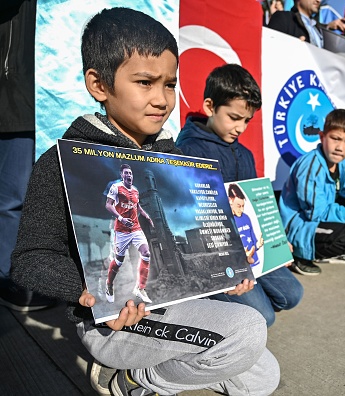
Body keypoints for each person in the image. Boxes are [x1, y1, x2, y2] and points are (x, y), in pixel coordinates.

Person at [10, 8, 279, 396]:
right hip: (112, 321)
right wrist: (88, 291)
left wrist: (230, 267)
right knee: (248, 329)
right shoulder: (61, 162)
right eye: (144, 82)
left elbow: (174, 231)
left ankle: (148, 378)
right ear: (99, 85)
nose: (161, 99)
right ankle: (132, 381)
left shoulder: (175, 160)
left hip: (170, 305)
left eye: (169, 84)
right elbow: (29, 260)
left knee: (262, 374)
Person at [176, 63, 303, 327]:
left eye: (247, 120)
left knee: (293, 295)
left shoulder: (245, 153)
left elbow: (258, 205)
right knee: (264, 317)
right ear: (210, 106)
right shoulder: (189, 151)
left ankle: (241, 308)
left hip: (250, 247)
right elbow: (191, 219)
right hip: (217, 255)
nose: (241, 127)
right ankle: (210, 301)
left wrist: (276, 242)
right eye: (234, 117)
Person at [0, 0, 55, 312]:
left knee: (46, 197)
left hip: (57, 96)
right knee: (14, 196)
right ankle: (12, 279)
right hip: (15, 96)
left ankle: (37, 275)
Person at [279, 109, 345, 276]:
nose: (340, 147)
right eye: (335, 138)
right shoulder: (310, 167)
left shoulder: (343, 161)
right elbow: (316, 214)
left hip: (320, 214)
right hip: (298, 227)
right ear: (322, 136)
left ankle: (327, 248)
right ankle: (298, 255)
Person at [104, 164, 155, 304]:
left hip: (136, 228)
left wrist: (146, 215)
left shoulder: (135, 190)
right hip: (122, 230)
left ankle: (140, 288)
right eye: (126, 173)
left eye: (131, 173)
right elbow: (108, 205)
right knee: (118, 261)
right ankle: (109, 284)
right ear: (122, 175)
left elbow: (137, 206)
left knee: (146, 253)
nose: (129, 175)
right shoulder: (116, 188)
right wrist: (121, 219)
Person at [267, 0, 345, 48]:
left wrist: (327, 27)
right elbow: (273, 49)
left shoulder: (318, 28)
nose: (318, 1)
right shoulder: (283, 17)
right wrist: (292, 48)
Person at [228, 184, 264, 266]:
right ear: (230, 201)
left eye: (243, 206)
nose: (242, 209)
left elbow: (253, 239)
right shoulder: (227, 221)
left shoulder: (246, 217)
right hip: (240, 265)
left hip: (255, 263)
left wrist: (258, 244)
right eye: (239, 206)